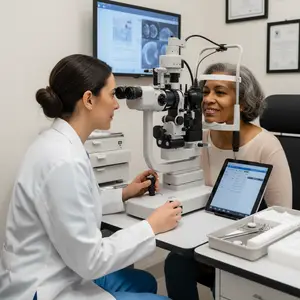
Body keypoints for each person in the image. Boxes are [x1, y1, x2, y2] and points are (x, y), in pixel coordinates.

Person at [0, 54, 183, 300]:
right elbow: (92, 260)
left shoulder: (59, 141)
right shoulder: (63, 160)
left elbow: (77, 203)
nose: (117, 104)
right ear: (88, 99)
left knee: (145, 281)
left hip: (63, 267)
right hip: (45, 288)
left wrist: (124, 193)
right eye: (111, 95)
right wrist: (152, 226)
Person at [164, 63, 292, 300]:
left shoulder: (266, 145)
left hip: (248, 240)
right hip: (206, 230)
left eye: (220, 92)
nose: (208, 99)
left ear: (241, 102)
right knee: (175, 262)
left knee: (224, 274)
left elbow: (281, 214)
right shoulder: (201, 136)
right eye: (205, 91)